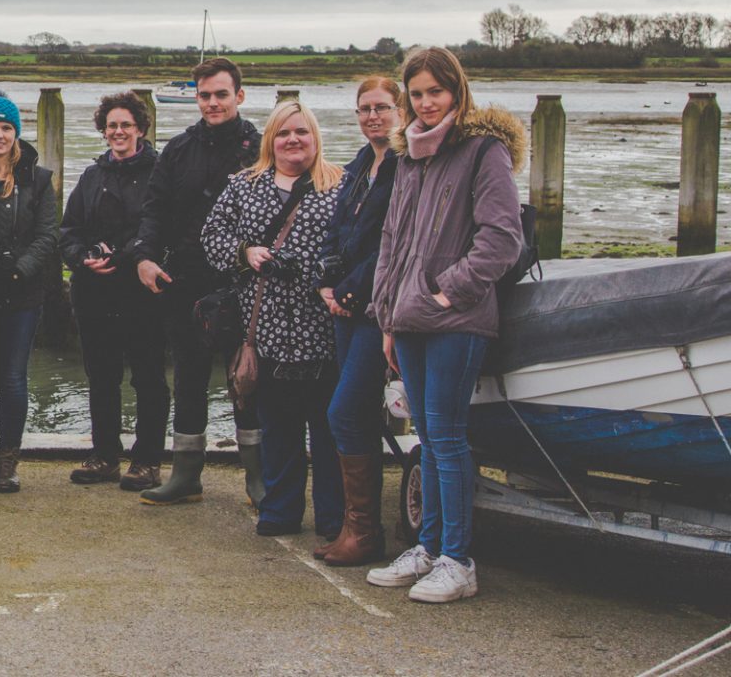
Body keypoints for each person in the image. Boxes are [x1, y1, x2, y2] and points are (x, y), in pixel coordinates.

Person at [367, 47, 523, 604]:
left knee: (449, 437)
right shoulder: (409, 156)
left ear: (457, 90)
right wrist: (388, 314)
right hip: (407, 321)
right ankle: (429, 549)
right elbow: (394, 241)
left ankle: (459, 560)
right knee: (427, 440)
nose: (426, 103)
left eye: (436, 91)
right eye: (417, 94)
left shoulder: (484, 151)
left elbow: (503, 239)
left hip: (457, 319)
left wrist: (445, 291)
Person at [201, 100, 344, 537]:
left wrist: (322, 271)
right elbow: (211, 236)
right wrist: (245, 253)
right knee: (278, 430)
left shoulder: (341, 185)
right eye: (283, 133)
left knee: (328, 431)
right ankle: (280, 510)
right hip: (264, 331)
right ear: (270, 140)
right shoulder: (245, 185)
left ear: (315, 137)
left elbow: (360, 243)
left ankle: (333, 517)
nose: (292, 140)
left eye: (301, 132)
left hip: (324, 328)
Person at [128, 57, 263, 507]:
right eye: (204, 95)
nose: (212, 103)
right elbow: (154, 208)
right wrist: (144, 257)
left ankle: (257, 477)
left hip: (244, 284)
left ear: (239, 96)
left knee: (246, 381)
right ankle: (186, 474)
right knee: (187, 379)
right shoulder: (178, 149)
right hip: (185, 283)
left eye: (221, 94)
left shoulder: (260, 149)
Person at [313, 77, 401, 566]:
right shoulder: (359, 169)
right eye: (364, 108)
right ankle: (357, 528)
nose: (372, 116)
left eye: (382, 107)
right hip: (345, 308)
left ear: (400, 111)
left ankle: (364, 530)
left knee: (344, 412)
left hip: (379, 309)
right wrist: (327, 281)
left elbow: (392, 241)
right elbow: (338, 232)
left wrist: (350, 288)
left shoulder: (408, 169)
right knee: (358, 415)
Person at [61, 91, 167, 492]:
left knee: (148, 377)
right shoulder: (92, 176)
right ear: (103, 132)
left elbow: (158, 228)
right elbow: (68, 228)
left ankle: (146, 460)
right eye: (111, 126)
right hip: (94, 293)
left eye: (126, 124)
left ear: (140, 128)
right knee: (102, 376)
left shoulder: (160, 174)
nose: (118, 131)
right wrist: (80, 257)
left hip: (143, 292)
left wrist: (123, 256)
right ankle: (104, 455)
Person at [0, 90, 57, 494]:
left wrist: (20, 270)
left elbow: (48, 233)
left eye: (5, 128)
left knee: (13, 379)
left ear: (16, 132)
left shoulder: (37, 178)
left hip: (22, 294)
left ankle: (9, 460)